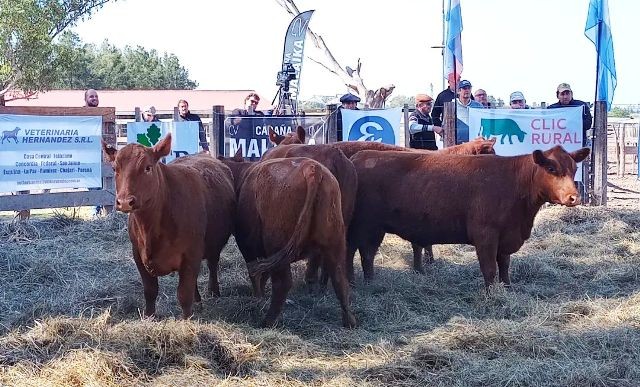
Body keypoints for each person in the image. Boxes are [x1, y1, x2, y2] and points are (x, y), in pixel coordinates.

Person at [85, 89, 103, 216]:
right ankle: (95, 212)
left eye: (96, 96)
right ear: (85, 99)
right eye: (91, 96)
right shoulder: (80, 114)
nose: (94, 98)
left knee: (104, 184)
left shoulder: (103, 114)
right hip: (86, 156)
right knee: (93, 184)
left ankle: (100, 211)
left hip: (101, 156)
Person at [455, 80, 483, 144]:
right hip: (457, 144)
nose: (467, 90)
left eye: (469, 88)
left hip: (475, 142)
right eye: (464, 88)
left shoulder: (478, 106)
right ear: (459, 91)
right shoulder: (452, 105)